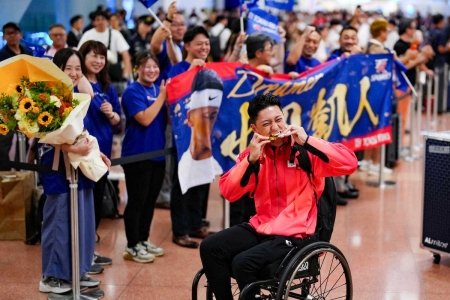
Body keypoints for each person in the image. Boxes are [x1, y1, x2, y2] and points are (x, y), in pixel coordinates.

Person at [200, 93, 358, 300]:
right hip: (262, 226)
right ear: (255, 130)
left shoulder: (304, 151)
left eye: (278, 120)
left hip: (296, 233)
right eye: (266, 123)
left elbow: (350, 163)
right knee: (210, 246)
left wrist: (308, 140)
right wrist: (250, 161)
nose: (275, 128)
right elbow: (229, 193)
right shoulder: (254, 155)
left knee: (243, 263)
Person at [39, 48, 110, 293]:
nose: (73, 72)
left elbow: (83, 133)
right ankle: (52, 276)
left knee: (82, 219)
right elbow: (44, 134)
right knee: (59, 220)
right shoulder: (46, 97)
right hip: (59, 168)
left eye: (77, 68)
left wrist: (95, 153)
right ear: (57, 68)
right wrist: (71, 147)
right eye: (68, 68)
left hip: (80, 168)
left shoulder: (77, 96)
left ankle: (77, 270)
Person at [120, 51, 168, 263]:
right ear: (137, 68)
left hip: (157, 153)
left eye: (154, 66)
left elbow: (165, 120)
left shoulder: (158, 89)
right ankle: (132, 245)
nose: (151, 70)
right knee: (137, 201)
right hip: (137, 155)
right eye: (146, 66)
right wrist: (163, 98)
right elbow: (145, 119)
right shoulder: (132, 91)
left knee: (150, 201)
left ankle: (143, 239)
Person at [169, 25, 213, 248]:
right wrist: (190, 72)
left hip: (205, 133)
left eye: (206, 43)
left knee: (202, 179)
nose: (204, 47)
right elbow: (174, 94)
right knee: (183, 181)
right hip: (184, 134)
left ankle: (196, 223)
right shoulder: (177, 69)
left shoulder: (210, 69)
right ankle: (180, 230)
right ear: (187, 46)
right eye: (199, 43)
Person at [78, 40, 121, 266]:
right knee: (82, 204)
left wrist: (111, 113)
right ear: (82, 58)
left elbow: (118, 121)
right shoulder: (76, 85)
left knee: (95, 202)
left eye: (102, 57)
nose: (98, 60)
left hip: (102, 154)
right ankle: (81, 253)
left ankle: (89, 251)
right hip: (81, 153)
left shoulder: (107, 86)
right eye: (93, 56)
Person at [0, 22, 33, 171]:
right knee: (4, 140)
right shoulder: (1, 55)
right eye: (8, 33)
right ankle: (5, 174)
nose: (12, 35)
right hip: (6, 103)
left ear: (20, 34)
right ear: (5, 36)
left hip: (26, 101)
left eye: (14, 32)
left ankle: (23, 172)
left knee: (25, 140)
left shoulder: (27, 52)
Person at [78, 10, 132, 80]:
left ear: (107, 21)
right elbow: (80, 52)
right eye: (97, 19)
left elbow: (125, 55)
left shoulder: (115, 34)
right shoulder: (88, 35)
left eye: (103, 19)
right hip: (92, 71)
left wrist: (125, 74)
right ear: (94, 22)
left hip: (112, 71)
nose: (100, 22)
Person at [151, 1, 186, 84]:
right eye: (175, 25)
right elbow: (155, 45)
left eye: (182, 24)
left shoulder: (187, 47)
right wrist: (169, 18)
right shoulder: (164, 46)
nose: (180, 28)